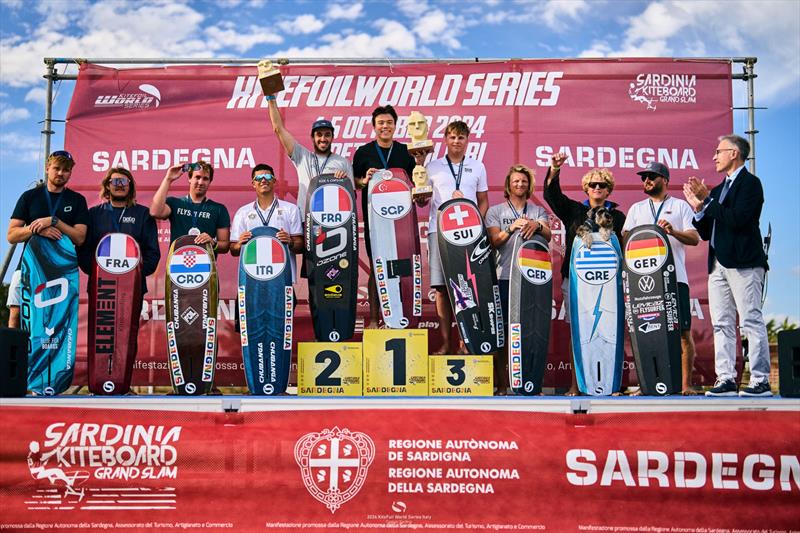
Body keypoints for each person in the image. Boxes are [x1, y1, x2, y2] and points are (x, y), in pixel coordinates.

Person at [683, 134, 771, 397]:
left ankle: (761, 379)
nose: (714, 156)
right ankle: (726, 379)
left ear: (734, 153)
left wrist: (707, 202)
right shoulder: (718, 189)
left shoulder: (751, 184)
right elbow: (706, 231)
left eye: (719, 151)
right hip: (717, 265)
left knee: (750, 320)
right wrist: (698, 208)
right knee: (721, 322)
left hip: (744, 263)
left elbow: (740, 220)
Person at [542, 152, 626, 395]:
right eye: (592, 184)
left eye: (602, 185)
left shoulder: (618, 216)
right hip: (578, 281)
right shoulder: (574, 211)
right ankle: (577, 384)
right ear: (586, 188)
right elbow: (551, 195)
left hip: (608, 283)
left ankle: (612, 383)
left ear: (608, 190)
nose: (597, 188)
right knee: (579, 330)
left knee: (611, 329)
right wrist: (555, 168)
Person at [622, 161, 699, 395]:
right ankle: (647, 385)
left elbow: (694, 239)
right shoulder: (636, 208)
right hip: (644, 283)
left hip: (674, 278)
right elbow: (626, 240)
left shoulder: (680, 206)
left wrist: (672, 231)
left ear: (665, 180)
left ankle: (686, 385)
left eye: (652, 176)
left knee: (683, 332)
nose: (646, 180)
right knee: (645, 331)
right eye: (644, 177)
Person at [419, 120, 489, 354]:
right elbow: (422, 199)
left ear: (467, 140)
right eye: (452, 137)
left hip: (468, 235)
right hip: (438, 232)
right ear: (445, 139)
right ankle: (447, 342)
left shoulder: (477, 166)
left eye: (461, 137)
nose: (456, 141)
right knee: (441, 289)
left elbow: (484, 201)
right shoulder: (433, 167)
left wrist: (476, 226)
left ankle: (465, 341)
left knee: (466, 286)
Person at [352, 105, 424, 328]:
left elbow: (418, 183)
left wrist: (421, 163)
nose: (385, 126)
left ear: (395, 125)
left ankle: (404, 319)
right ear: (374, 127)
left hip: (403, 221)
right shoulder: (363, 152)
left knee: (403, 267)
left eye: (389, 123)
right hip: (376, 222)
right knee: (378, 266)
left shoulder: (405, 151)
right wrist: (364, 180)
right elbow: (354, 182)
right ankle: (375, 319)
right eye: (381, 123)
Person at [486, 164, 551, 393]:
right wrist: (511, 228)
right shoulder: (495, 211)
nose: (520, 184)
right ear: (508, 185)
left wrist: (537, 225)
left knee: (531, 331)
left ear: (529, 185)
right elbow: (494, 242)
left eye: (524, 181)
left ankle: (530, 383)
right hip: (504, 277)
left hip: (532, 280)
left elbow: (549, 234)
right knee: (502, 333)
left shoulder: (537, 211)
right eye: (516, 181)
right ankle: (503, 384)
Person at [6, 150, 89, 328]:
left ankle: (54, 356)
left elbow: (80, 238)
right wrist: (36, 229)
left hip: (61, 271)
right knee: (17, 314)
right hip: (27, 267)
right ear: (47, 168)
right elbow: (12, 235)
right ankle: (12, 356)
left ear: (70, 173)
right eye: (56, 168)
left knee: (56, 321)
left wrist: (55, 222)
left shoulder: (77, 200)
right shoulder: (29, 197)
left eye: (65, 170)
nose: (60, 173)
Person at [77, 167, 160, 294]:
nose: (120, 185)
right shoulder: (93, 214)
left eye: (124, 182)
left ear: (130, 186)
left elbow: (152, 252)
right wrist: (98, 272)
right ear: (108, 186)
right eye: (115, 182)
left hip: (133, 286)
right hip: (101, 285)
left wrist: (134, 273)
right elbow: (83, 250)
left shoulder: (143, 214)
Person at [265, 95, 353, 213]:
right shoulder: (302, 156)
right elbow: (278, 129)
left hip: (333, 219)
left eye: (327, 135)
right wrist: (271, 100)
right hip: (306, 217)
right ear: (312, 137)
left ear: (332, 138)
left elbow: (351, 197)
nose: (323, 138)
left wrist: (342, 183)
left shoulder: (343, 162)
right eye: (319, 135)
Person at [230, 164, 304, 282]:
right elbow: (233, 250)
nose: (263, 180)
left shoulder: (291, 209)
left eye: (267, 176)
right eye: (258, 178)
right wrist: (240, 243)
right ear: (253, 184)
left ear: (274, 181)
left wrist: (290, 242)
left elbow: (300, 245)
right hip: (252, 278)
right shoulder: (243, 212)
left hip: (283, 278)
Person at [149, 161, 230, 253]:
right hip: (177, 263)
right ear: (190, 179)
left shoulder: (218, 209)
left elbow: (225, 246)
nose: (200, 182)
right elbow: (154, 212)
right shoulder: (175, 203)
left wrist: (213, 243)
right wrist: (168, 179)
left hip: (205, 265)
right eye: (197, 177)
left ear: (209, 182)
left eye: (205, 179)